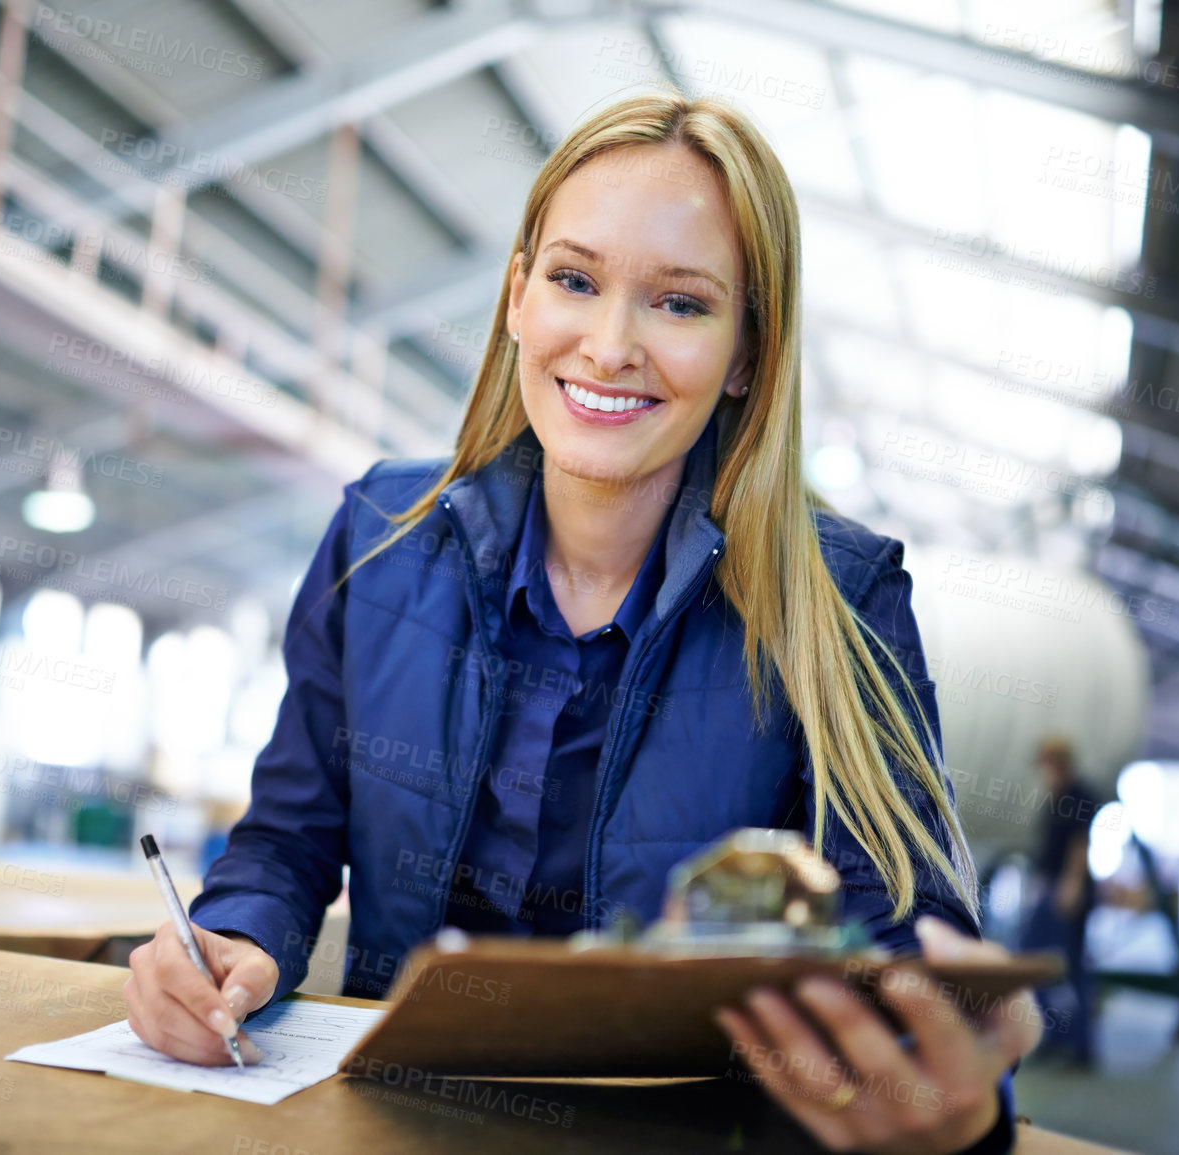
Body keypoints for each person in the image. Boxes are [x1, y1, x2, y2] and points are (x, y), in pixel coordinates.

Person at [123, 92, 1041, 1153]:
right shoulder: (377, 539)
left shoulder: (842, 603)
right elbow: (288, 839)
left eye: (681, 305)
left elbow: (899, 939)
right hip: (391, 1127)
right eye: (574, 280)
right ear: (518, 296)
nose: (609, 346)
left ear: (749, 353)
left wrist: (943, 1088)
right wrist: (231, 939)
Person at [1019, 736, 1098, 1068]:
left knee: (1068, 967)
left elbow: (1081, 843)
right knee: (1039, 963)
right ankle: (1052, 1037)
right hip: (1052, 886)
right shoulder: (1056, 796)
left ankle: (1080, 1047)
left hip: (1068, 890)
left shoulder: (1080, 795)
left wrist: (1072, 884)